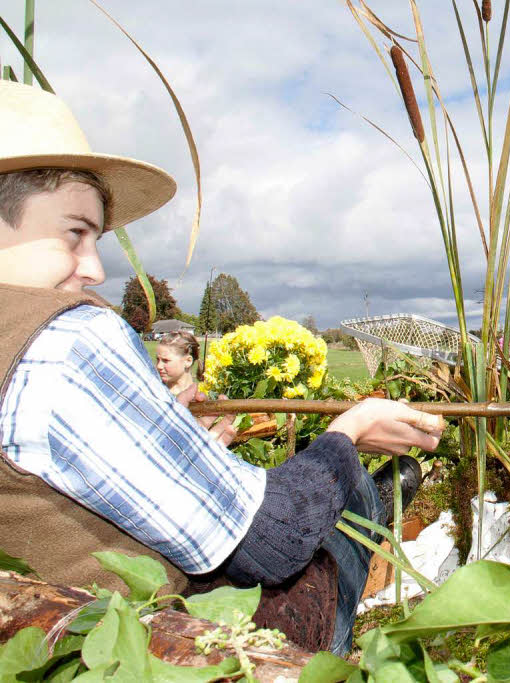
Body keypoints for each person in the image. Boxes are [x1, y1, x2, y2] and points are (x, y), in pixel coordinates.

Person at [0, 80, 444, 654]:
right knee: (339, 514)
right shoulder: (61, 335)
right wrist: (349, 430)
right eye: (75, 233)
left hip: (30, 631)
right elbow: (271, 542)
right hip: (140, 648)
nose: (94, 270)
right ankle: (364, 523)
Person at [155, 330, 201, 396]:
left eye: (166, 360)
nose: (159, 366)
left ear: (188, 361)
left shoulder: (200, 395)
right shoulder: (154, 393)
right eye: (157, 359)